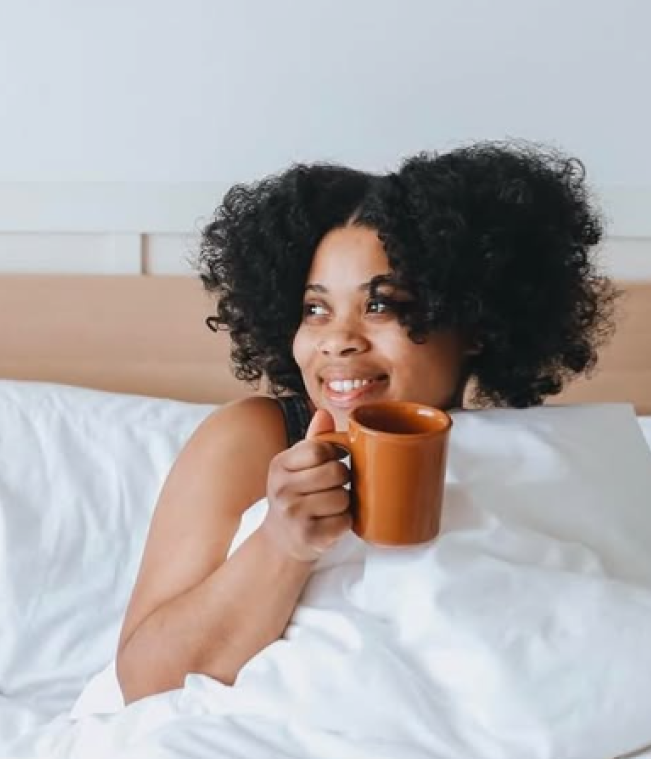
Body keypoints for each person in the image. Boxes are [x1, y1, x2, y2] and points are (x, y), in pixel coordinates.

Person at [113, 141, 618, 704]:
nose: (338, 340)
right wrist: (281, 542)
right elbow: (143, 682)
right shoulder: (253, 440)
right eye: (315, 309)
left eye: (381, 305)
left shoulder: (535, 463)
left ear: (472, 322)